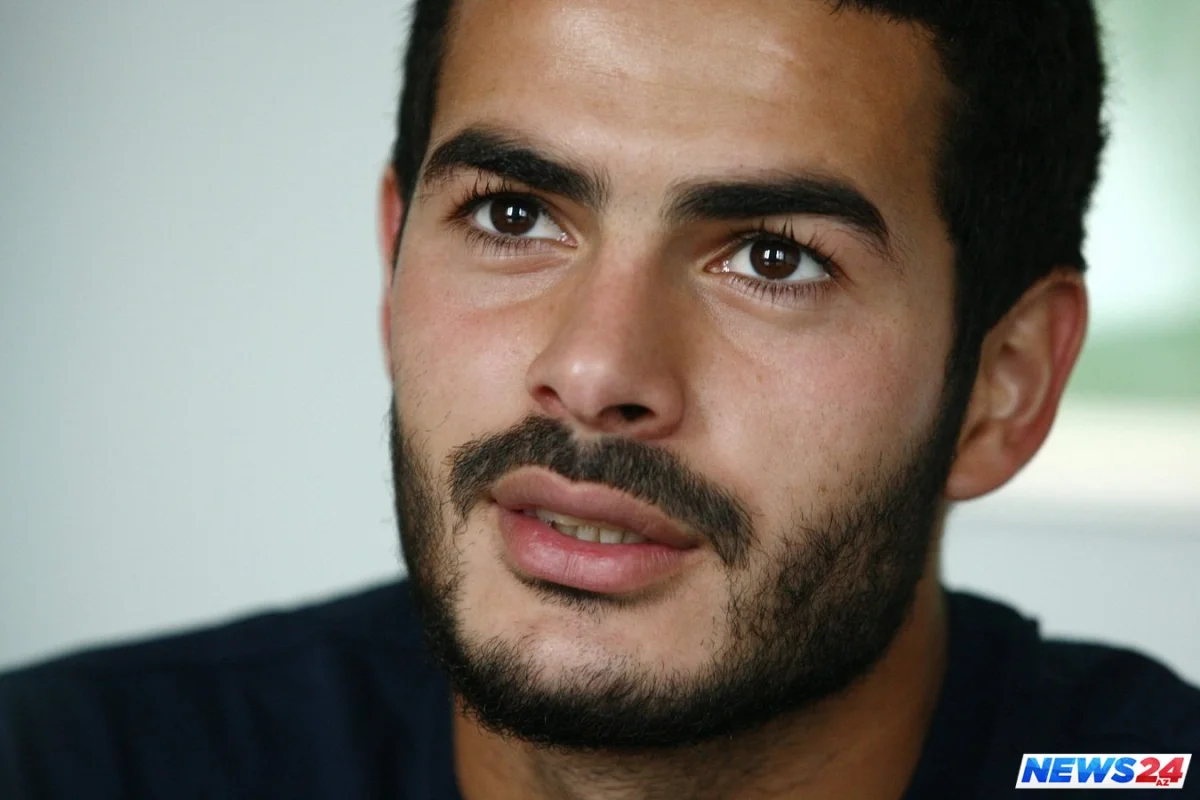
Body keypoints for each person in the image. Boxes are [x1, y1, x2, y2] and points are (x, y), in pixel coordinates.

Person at [2, 0, 1198, 797]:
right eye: (513, 214)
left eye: (774, 257)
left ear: (1003, 384)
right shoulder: (65, 766)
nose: (594, 371)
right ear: (394, 256)